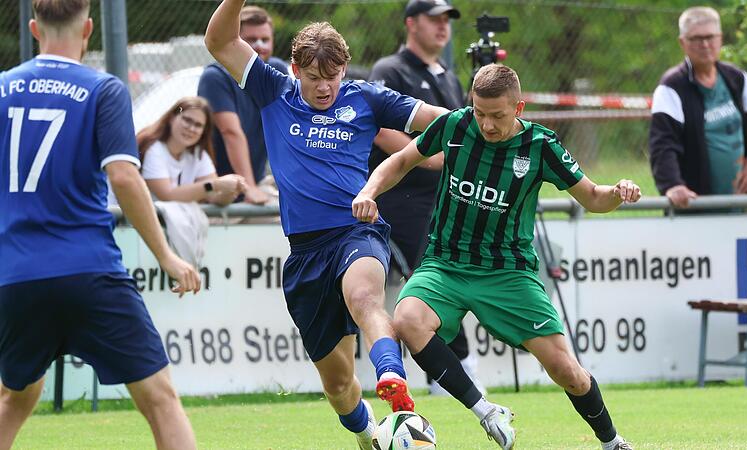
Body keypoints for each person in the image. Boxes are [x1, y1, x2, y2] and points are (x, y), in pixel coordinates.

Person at [353, 64, 637, 450]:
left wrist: (617, 192)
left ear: (518, 107)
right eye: (479, 113)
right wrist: (369, 191)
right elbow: (401, 160)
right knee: (406, 318)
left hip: (509, 273)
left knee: (566, 371)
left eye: (498, 116)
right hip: (446, 264)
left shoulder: (541, 145)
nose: (486, 124)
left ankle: (612, 441)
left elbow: (592, 197)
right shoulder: (454, 126)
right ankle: (485, 410)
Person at [204, 2, 449, 448]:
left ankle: (392, 376)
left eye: (332, 77)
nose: (324, 87)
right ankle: (366, 431)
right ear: (295, 69)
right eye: (314, 78)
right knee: (337, 386)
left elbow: (437, 119)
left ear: (344, 69)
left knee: (365, 297)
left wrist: (493, 126)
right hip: (305, 254)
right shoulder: (272, 89)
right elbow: (219, 41)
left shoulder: (366, 97)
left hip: (357, 230)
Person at [0, 1, 201, 449]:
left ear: (34, 28)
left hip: (18, 274)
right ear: (89, 28)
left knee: (14, 398)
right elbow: (125, 176)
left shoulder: (2, 88)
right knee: (161, 401)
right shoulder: (102, 89)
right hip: (89, 271)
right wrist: (167, 255)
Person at [368, 0, 483, 396]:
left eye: (446, 20)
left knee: (454, 280)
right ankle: (448, 374)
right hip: (404, 202)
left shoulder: (448, 77)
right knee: (434, 285)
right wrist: (431, 158)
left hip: (445, 201)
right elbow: (380, 130)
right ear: (410, 23)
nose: (442, 27)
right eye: (433, 19)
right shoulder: (389, 70)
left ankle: (452, 371)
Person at [649, 6, 747, 209]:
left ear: (720, 38)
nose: (705, 44)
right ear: (683, 42)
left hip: (739, 203)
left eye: (710, 37)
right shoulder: (671, 87)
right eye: (696, 39)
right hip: (696, 208)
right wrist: (672, 185)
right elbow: (663, 143)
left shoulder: (736, 78)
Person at [197, 5, 288, 206]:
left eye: (265, 39)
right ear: (237, 41)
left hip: (255, 181)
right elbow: (231, 132)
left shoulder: (276, 70)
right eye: (251, 40)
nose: (259, 45)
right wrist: (250, 188)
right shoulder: (215, 77)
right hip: (216, 189)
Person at [138, 96, 246, 206]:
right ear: (171, 118)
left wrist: (230, 190)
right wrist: (215, 185)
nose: (191, 129)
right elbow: (167, 195)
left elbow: (214, 197)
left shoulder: (198, 154)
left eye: (198, 125)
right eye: (187, 120)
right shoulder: (154, 149)